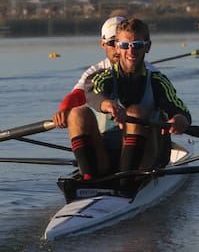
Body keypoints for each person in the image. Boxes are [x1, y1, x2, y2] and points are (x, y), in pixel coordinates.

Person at [66, 18, 191, 189]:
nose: (131, 51)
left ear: (148, 47)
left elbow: (178, 108)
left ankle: (126, 183)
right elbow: (93, 93)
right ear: (117, 47)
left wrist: (180, 119)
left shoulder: (157, 81)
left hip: (145, 160)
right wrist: (107, 105)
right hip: (106, 156)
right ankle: (89, 178)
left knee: (135, 113)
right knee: (76, 114)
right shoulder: (102, 76)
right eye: (125, 45)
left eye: (137, 45)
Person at [52, 16, 125, 129]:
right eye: (112, 43)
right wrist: (64, 110)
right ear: (103, 44)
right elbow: (77, 95)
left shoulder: (150, 72)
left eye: (121, 43)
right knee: (78, 114)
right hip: (103, 139)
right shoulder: (93, 72)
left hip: (140, 133)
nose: (117, 48)